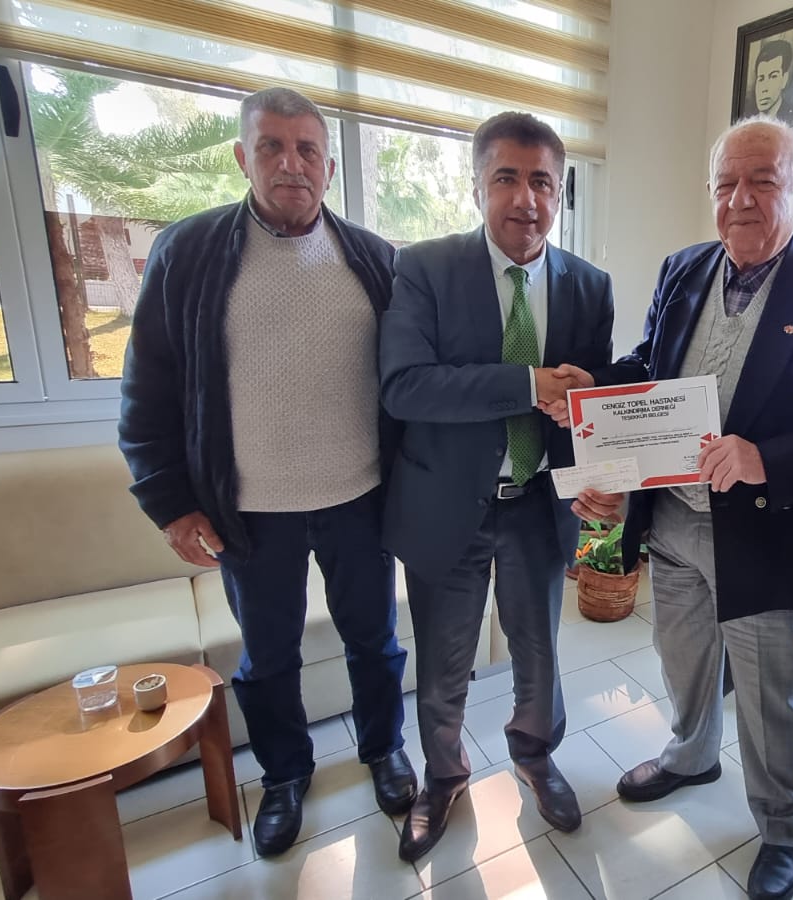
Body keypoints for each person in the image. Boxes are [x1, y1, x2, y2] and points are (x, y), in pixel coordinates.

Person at [565, 115, 793, 900]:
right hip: (673, 521)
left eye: (762, 182)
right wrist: (595, 391)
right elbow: (650, 367)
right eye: (725, 184)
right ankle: (691, 755)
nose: (740, 200)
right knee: (681, 656)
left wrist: (765, 458)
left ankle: (784, 827)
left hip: (769, 533)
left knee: (774, 693)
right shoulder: (684, 268)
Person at [118, 87, 413, 858]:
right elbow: (147, 391)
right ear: (242, 158)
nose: (291, 164)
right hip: (248, 511)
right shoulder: (187, 253)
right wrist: (170, 503)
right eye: (272, 147)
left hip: (359, 499)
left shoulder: (374, 259)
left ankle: (384, 750)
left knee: (375, 642)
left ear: (330, 166)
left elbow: (407, 383)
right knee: (269, 658)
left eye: (308, 149)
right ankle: (284, 775)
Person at [378, 111, 617, 862]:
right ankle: (443, 777)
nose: (525, 199)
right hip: (446, 505)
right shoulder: (425, 268)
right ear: (477, 184)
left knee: (539, 653)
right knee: (444, 662)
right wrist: (526, 384)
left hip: (538, 506)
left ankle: (536, 757)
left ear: (560, 192)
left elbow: (589, 407)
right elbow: (406, 387)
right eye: (506, 178)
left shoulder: (589, 285)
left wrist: (597, 463)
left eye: (542, 182)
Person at [753, 38, 793, 129]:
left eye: (773, 77)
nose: (764, 88)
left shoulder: (790, 120)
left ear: (784, 79)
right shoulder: (749, 121)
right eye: (761, 79)